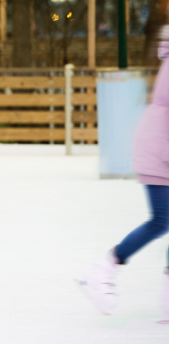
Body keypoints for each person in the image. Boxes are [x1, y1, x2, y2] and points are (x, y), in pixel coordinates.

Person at [78, 33, 169, 322]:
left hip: (158, 146)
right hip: (161, 150)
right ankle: (102, 271)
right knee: (161, 220)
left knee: (163, 220)